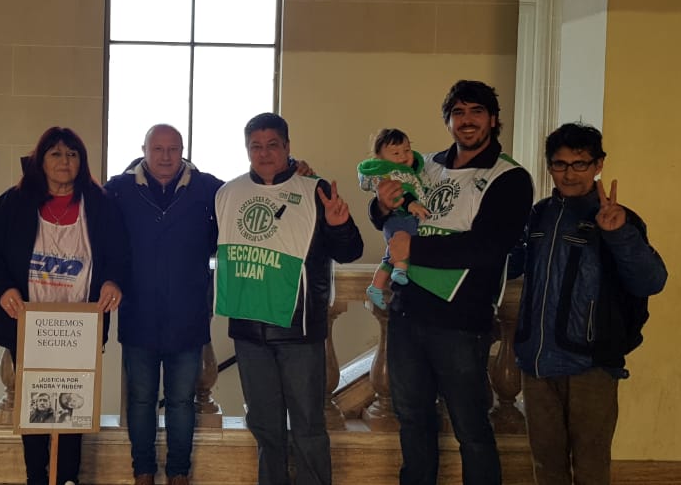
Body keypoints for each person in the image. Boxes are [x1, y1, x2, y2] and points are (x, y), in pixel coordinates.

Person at [370, 80, 533, 485]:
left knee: (471, 428)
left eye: (476, 111)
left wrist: (414, 248)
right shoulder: (425, 164)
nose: (467, 120)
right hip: (407, 313)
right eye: (458, 112)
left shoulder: (509, 176)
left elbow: (489, 247)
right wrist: (382, 205)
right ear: (447, 120)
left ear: (493, 119)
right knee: (412, 420)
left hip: (461, 321)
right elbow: (388, 217)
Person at [513, 123, 667, 485]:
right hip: (537, 362)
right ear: (549, 166)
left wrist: (619, 234)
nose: (569, 174)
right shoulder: (537, 215)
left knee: (591, 467)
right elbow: (511, 266)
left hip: (591, 364)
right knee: (546, 465)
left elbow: (651, 281)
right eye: (560, 164)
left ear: (598, 164)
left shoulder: (618, 219)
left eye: (579, 164)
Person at [215, 113, 363, 485]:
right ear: (246, 149)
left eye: (272, 145)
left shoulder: (315, 190)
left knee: (308, 427)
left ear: (287, 147)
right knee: (265, 429)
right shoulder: (228, 193)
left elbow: (350, 251)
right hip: (249, 333)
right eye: (256, 146)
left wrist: (339, 225)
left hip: (300, 332)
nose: (264, 153)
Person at [0, 127, 130, 485]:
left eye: (72, 154)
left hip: (80, 324)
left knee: (73, 405)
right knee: (35, 405)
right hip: (28, 323)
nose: (65, 161)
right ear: (40, 160)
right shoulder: (14, 202)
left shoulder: (101, 204)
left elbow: (121, 253)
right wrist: (3, 289)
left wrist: (112, 281)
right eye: (56, 154)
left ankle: (66, 477)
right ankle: (36, 477)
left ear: (82, 161)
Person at [104, 124, 224, 485]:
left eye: (173, 149)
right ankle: (142, 471)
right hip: (138, 315)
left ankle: (178, 473)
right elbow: (86, 212)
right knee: (140, 400)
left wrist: (296, 170)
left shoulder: (208, 188)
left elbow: (249, 199)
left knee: (181, 401)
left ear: (183, 151)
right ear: (144, 150)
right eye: (158, 149)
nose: (166, 156)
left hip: (188, 317)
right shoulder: (119, 189)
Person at [357, 128, 431, 310]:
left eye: (407, 150)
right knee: (400, 250)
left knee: (390, 257)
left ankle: (375, 287)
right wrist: (410, 204)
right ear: (380, 158)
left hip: (409, 218)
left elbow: (421, 188)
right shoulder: (386, 173)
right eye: (396, 153)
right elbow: (393, 193)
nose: (403, 156)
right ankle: (399, 271)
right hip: (398, 218)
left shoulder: (416, 170)